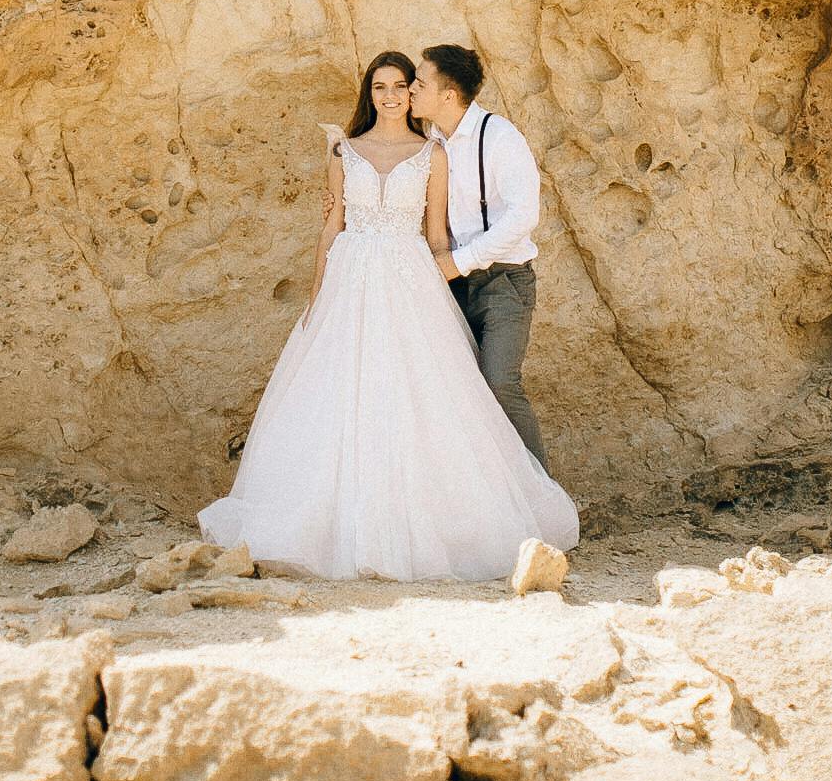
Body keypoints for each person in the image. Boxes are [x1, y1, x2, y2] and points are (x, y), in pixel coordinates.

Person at [199, 49, 578, 580]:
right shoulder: (343, 151)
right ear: (369, 93)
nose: (397, 94)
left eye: (406, 85)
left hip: (422, 275)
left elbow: (439, 235)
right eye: (382, 86)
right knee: (338, 390)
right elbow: (330, 228)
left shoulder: (441, 150)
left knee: (454, 389)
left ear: (427, 93)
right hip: (352, 276)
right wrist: (315, 296)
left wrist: (440, 283)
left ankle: (517, 503)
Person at [409, 44, 548, 468]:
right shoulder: (429, 142)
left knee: (500, 381)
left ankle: (543, 494)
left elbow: (525, 215)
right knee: (454, 390)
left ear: (448, 96)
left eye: (419, 83)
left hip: (504, 280)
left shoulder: (500, 136)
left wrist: (460, 261)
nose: (412, 90)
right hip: (451, 284)